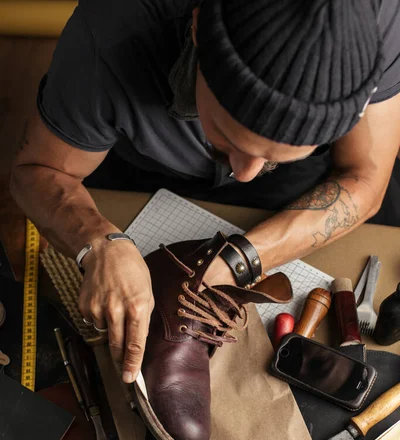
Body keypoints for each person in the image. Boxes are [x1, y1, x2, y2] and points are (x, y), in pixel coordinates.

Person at [10, 0, 400, 386]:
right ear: (198, 30)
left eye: (273, 153)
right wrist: (97, 241)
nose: (245, 174)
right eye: (230, 137)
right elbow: (37, 171)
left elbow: (365, 177)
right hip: (140, 163)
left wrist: (237, 261)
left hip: (302, 183)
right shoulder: (114, 24)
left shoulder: (383, 21)